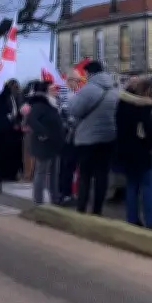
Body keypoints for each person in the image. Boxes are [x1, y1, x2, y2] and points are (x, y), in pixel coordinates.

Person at [67, 60, 118, 215]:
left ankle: (81, 207)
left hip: (88, 139)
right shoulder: (115, 89)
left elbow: (74, 110)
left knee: (85, 175)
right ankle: (97, 210)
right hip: (108, 138)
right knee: (102, 175)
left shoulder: (89, 89)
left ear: (90, 73)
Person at [116, 77, 152, 229]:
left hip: (126, 151)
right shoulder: (144, 107)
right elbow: (150, 132)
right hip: (142, 152)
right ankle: (150, 221)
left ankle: (132, 218)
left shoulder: (123, 105)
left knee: (132, 185)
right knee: (148, 186)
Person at [27, 81, 65, 204]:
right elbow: (31, 119)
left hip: (55, 144)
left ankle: (55, 198)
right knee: (41, 172)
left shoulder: (54, 104)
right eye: (53, 88)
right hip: (44, 144)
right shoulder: (40, 104)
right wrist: (43, 133)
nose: (56, 90)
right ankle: (38, 201)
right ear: (46, 91)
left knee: (55, 172)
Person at [58, 69, 83, 204]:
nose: (78, 84)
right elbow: (66, 112)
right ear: (69, 80)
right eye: (77, 81)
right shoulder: (63, 92)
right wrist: (77, 122)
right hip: (67, 134)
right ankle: (64, 193)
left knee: (72, 165)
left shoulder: (75, 92)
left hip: (74, 134)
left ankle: (68, 192)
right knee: (66, 165)